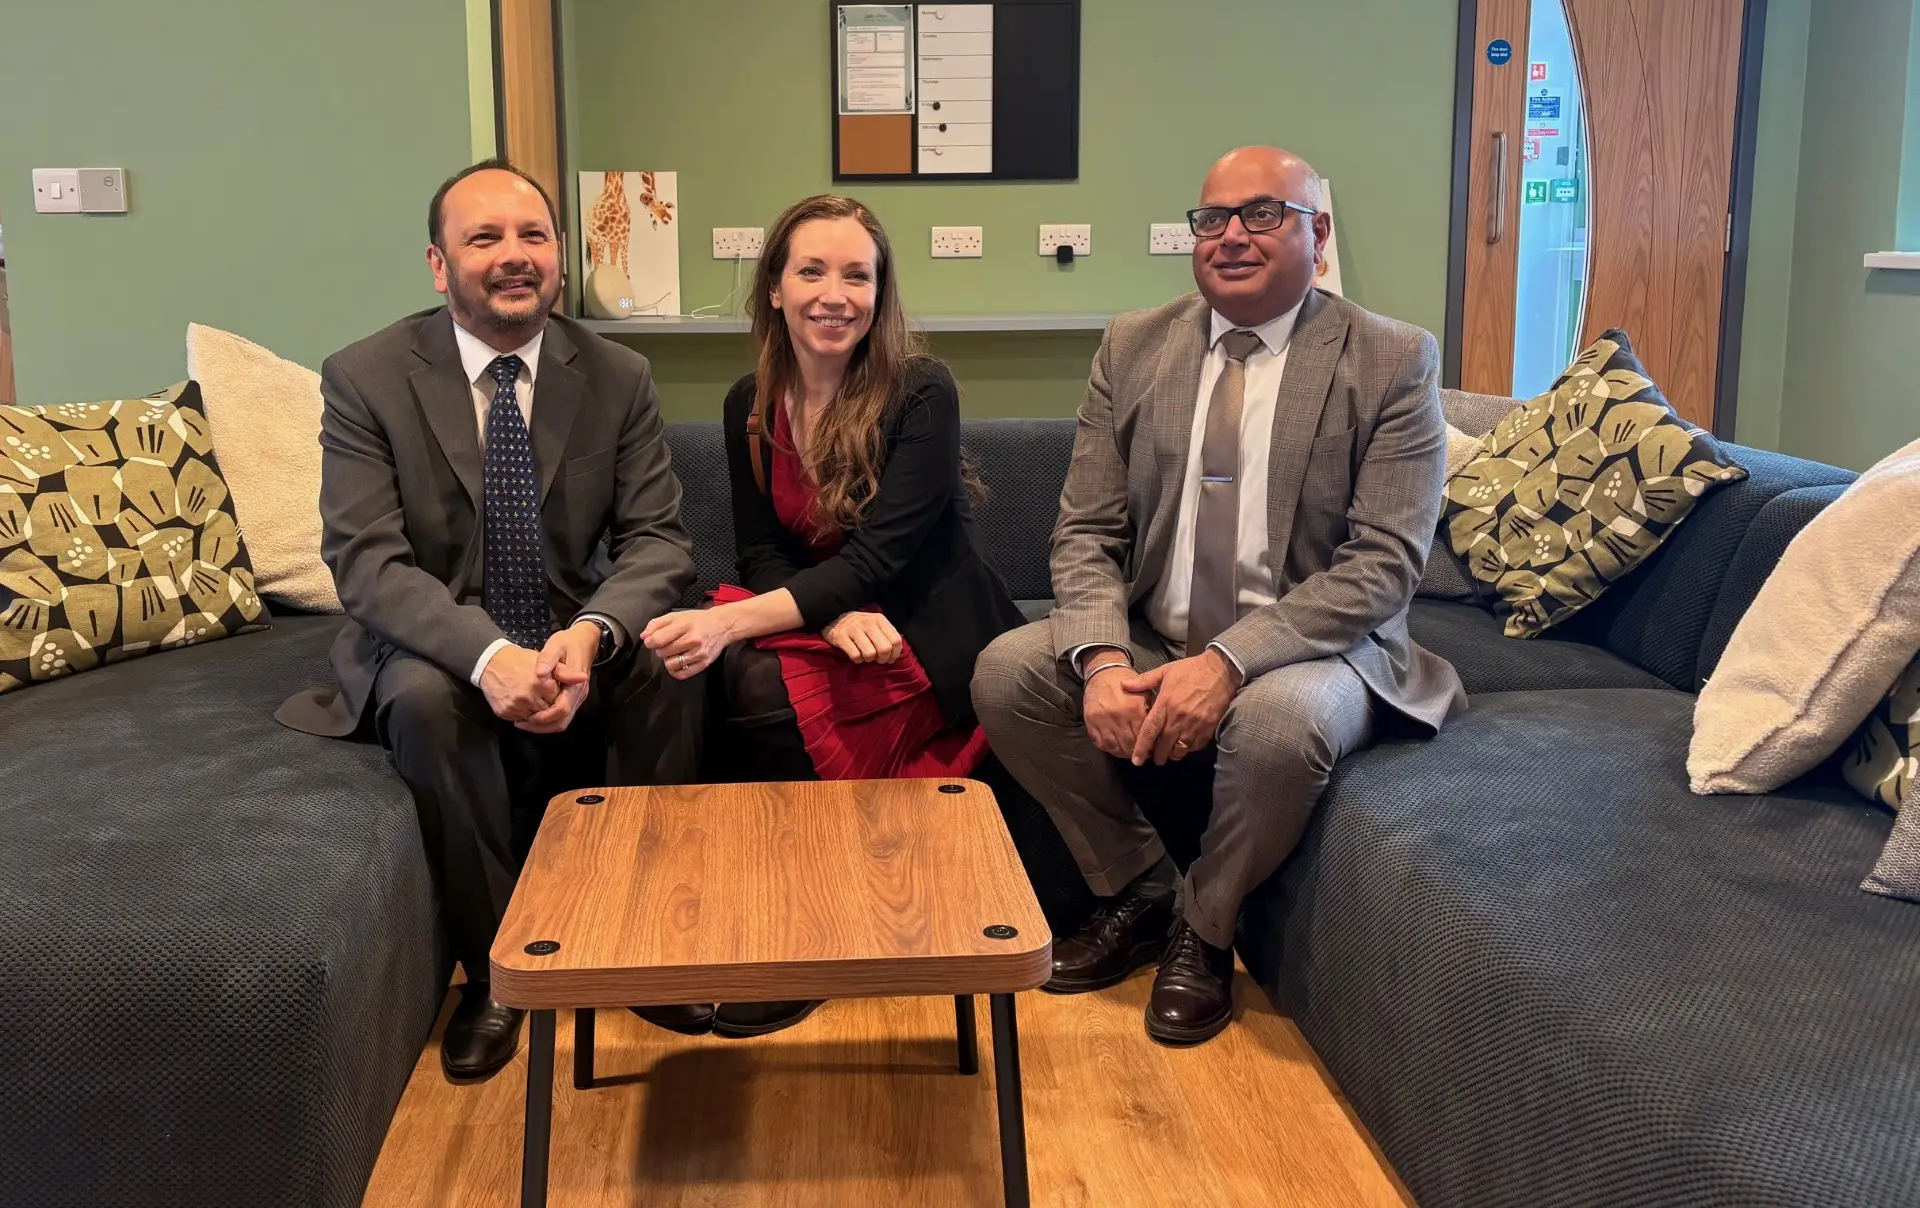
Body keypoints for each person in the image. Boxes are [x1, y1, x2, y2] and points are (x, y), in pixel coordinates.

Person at [972, 146, 1465, 1046]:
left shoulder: (1391, 357)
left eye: (1263, 214)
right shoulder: (1133, 343)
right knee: (1008, 672)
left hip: (1318, 649)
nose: (1231, 235)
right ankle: (1144, 892)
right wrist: (1102, 657)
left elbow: (1384, 565)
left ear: (1318, 237)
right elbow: (1085, 531)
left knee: (1279, 726)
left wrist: (1229, 662)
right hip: (1159, 632)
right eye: (1212, 218)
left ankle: (1205, 928)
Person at [278, 159, 710, 1083]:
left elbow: (659, 543)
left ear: (559, 256)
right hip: (435, 634)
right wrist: (489, 657)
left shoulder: (617, 372)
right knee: (429, 703)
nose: (514, 258)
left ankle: (637, 939)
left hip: (568, 620)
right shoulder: (366, 377)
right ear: (439, 265)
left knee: (673, 657)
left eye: (533, 237)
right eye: (485, 239)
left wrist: (592, 635)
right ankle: (498, 974)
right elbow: (367, 562)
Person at [641, 193, 1025, 1037]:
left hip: (925, 630)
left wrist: (737, 621)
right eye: (811, 269)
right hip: (835, 619)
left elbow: (881, 559)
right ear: (773, 287)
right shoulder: (750, 399)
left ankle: (814, 933)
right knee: (710, 672)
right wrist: (817, 621)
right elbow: (760, 556)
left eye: (858, 274)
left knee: (744, 669)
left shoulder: (921, 388)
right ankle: (707, 920)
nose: (835, 293)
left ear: (881, 292)